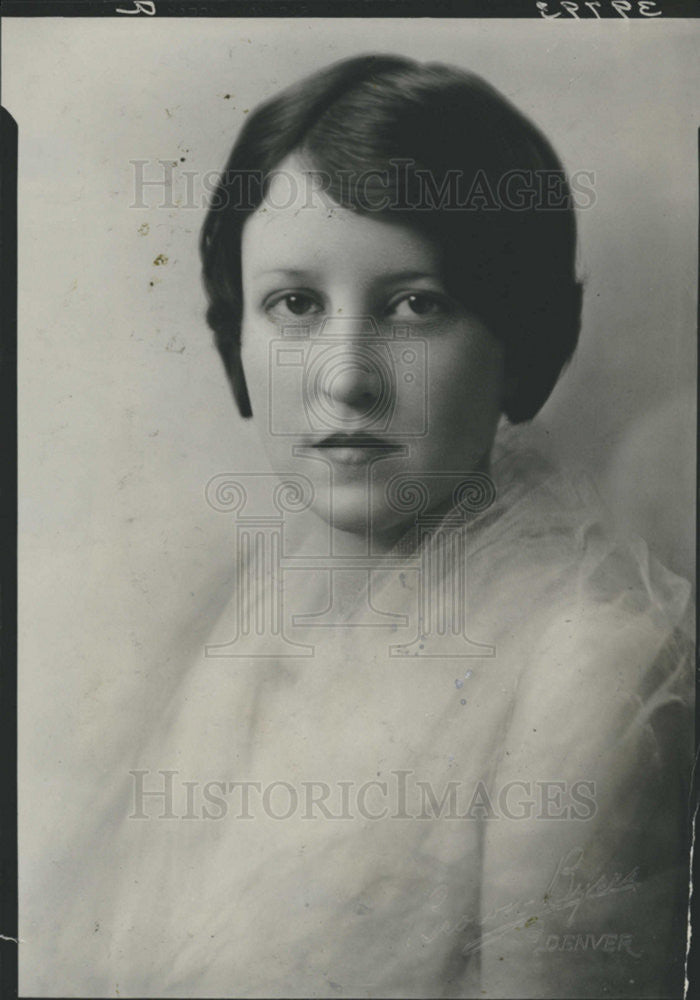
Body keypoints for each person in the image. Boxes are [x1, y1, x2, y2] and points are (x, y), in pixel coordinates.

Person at [39, 54, 693, 998]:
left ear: (521, 339)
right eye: (295, 304)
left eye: (416, 305)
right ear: (238, 336)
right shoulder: (246, 609)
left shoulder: (586, 671)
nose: (345, 376)